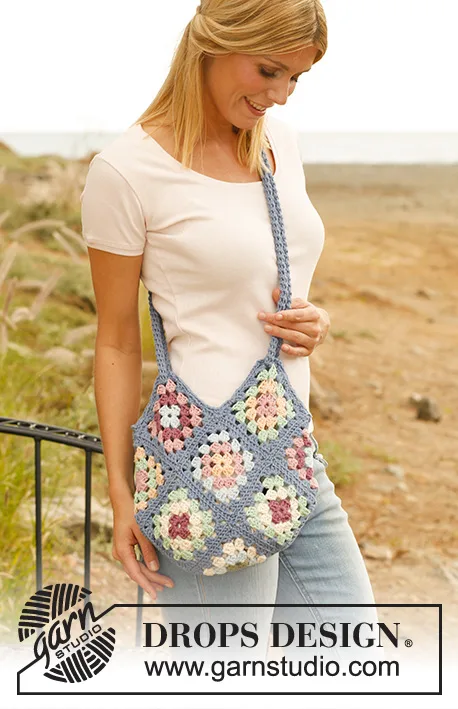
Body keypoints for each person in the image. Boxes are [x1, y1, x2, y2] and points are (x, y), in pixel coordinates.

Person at [81, 0, 383, 667]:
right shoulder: (126, 172)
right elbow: (117, 340)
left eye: (296, 78)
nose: (281, 94)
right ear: (215, 44)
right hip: (202, 471)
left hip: (291, 453)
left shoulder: (279, 142)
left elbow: (269, 274)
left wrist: (315, 319)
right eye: (269, 70)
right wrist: (122, 494)